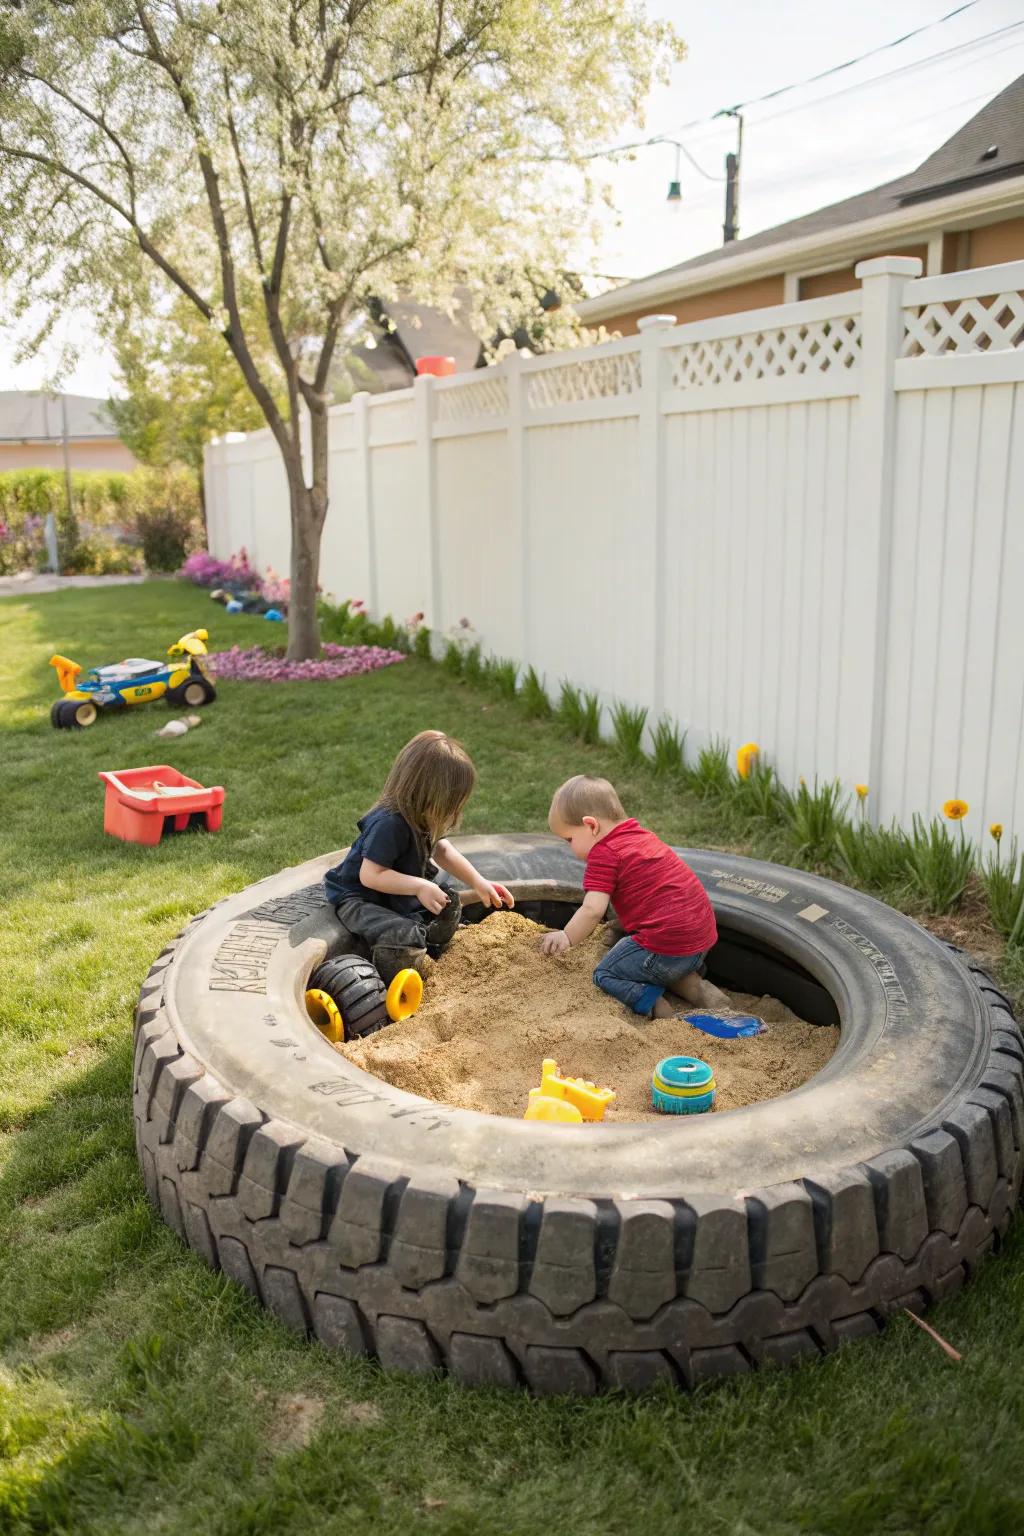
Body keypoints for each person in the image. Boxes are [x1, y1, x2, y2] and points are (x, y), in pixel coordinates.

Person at [324, 730, 513, 984]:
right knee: (403, 935)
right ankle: (391, 985)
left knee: (450, 903)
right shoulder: (388, 823)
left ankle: (431, 949)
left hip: (394, 895)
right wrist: (420, 885)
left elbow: (442, 849)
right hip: (360, 898)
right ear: (427, 793)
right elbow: (370, 875)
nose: (454, 809)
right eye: (451, 802)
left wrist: (479, 882)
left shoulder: (422, 815)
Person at [541, 774, 724, 1019]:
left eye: (569, 839)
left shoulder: (604, 853)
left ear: (591, 826)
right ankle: (697, 989)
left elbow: (593, 909)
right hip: (700, 942)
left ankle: (657, 1006)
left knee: (605, 974)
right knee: (652, 953)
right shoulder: (642, 836)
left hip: (669, 948)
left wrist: (567, 936)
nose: (570, 848)